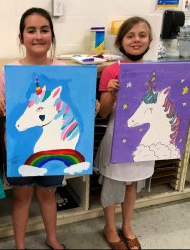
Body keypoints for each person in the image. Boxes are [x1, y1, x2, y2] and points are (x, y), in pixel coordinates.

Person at [0, 7, 70, 250]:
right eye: (31, 30)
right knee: (22, 196)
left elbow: (72, 105)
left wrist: (94, 103)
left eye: (44, 30)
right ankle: (20, 245)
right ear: (21, 37)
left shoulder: (64, 70)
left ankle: (52, 238)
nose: (38, 36)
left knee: (48, 194)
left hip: (54, 148)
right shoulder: (9, 71)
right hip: (19, 147)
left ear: (52, 35)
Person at [94, 17, 154, 250]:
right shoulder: (112, 70)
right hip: (117, 136)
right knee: (114, 184)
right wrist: (110, 92)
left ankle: (127, 226)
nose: (136, 40)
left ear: (149, 40)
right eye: (130, 36)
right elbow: (103, 113)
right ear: (120, 42)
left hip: (144, 139)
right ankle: (110, 227)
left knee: (133, 184)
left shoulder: (155, 70)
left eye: (142, 35)